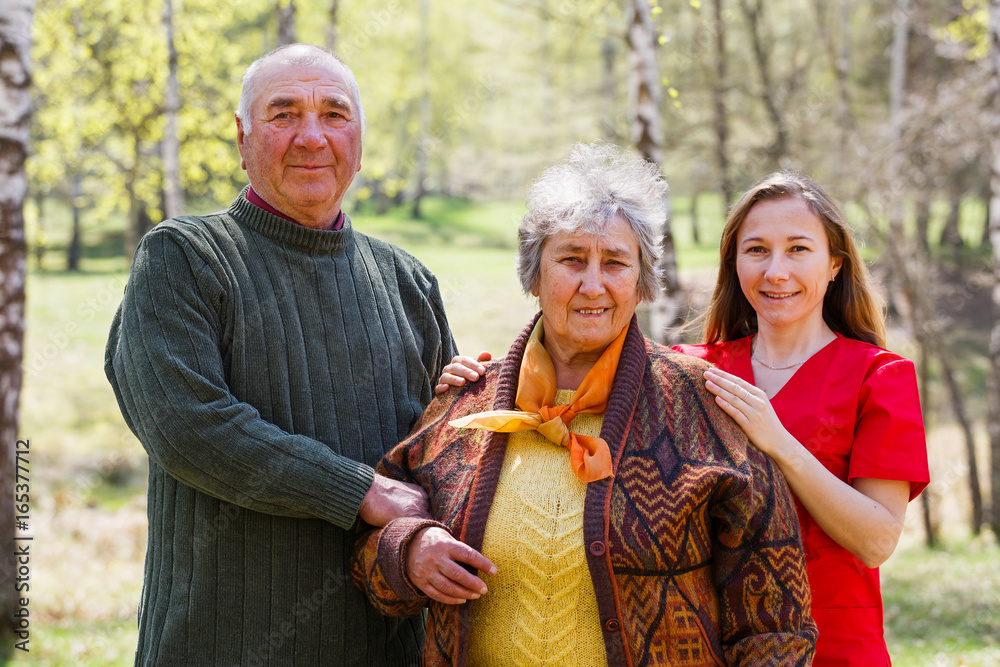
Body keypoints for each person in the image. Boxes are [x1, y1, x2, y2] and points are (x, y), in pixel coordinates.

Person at [352, 144, 817, 666]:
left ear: (641, 283)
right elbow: (372, 545)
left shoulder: (702, 407)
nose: (592, 284)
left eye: (615, 262)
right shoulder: (465, 405)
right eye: (571, 258)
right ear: (534, 274)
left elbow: (777, 626)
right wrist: (408, 551)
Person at [105, 44, 456, 665]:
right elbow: (186, 427)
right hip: (220, 646)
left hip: (382, 650)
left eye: (335, 114)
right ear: (243, 138)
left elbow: (441, 465)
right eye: (284, 113)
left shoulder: (409, 281)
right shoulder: (185, 258)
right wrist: (356, 492)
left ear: (360, 137)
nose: (312, 137)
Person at [672, 172, 930, 666]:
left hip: (834, 647)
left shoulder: (878, 376)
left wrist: (780, 443)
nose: (775, 271)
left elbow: (877, 540)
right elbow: (575, 398)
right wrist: (479, 378)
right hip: (707, 647)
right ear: (734, 263)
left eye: (797, 249)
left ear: (834, 263)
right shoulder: (690, 368)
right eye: (756, 250)